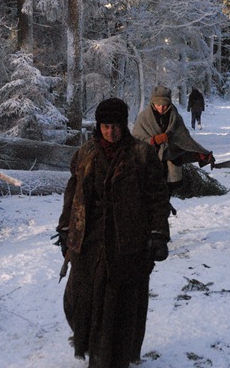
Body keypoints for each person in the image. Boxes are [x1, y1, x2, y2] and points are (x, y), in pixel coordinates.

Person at [55, 98, 171, 367]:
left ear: (124, 125)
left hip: (128, 239)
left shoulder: (141, 154)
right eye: (105, 126)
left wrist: (158, 233)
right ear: (99, 126)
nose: (111, 132)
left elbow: (157, 197)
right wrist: (65, 228)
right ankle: (92, 345)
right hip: (89, 239)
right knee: (80, 298)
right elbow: (73, 194)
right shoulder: (85, 154)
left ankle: (112, 356)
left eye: (116, 126)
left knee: (119, 301)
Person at [132, 85, 215, 194]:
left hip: (171, 170)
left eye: (165, 105)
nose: (161, 108)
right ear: (152, 103)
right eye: (158, 105)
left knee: (167, 197)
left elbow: (185, 142)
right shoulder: (143, 118)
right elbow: (135, 143)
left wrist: (200, 154)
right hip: (149, 168)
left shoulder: (175, 118)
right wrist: (153, 141)